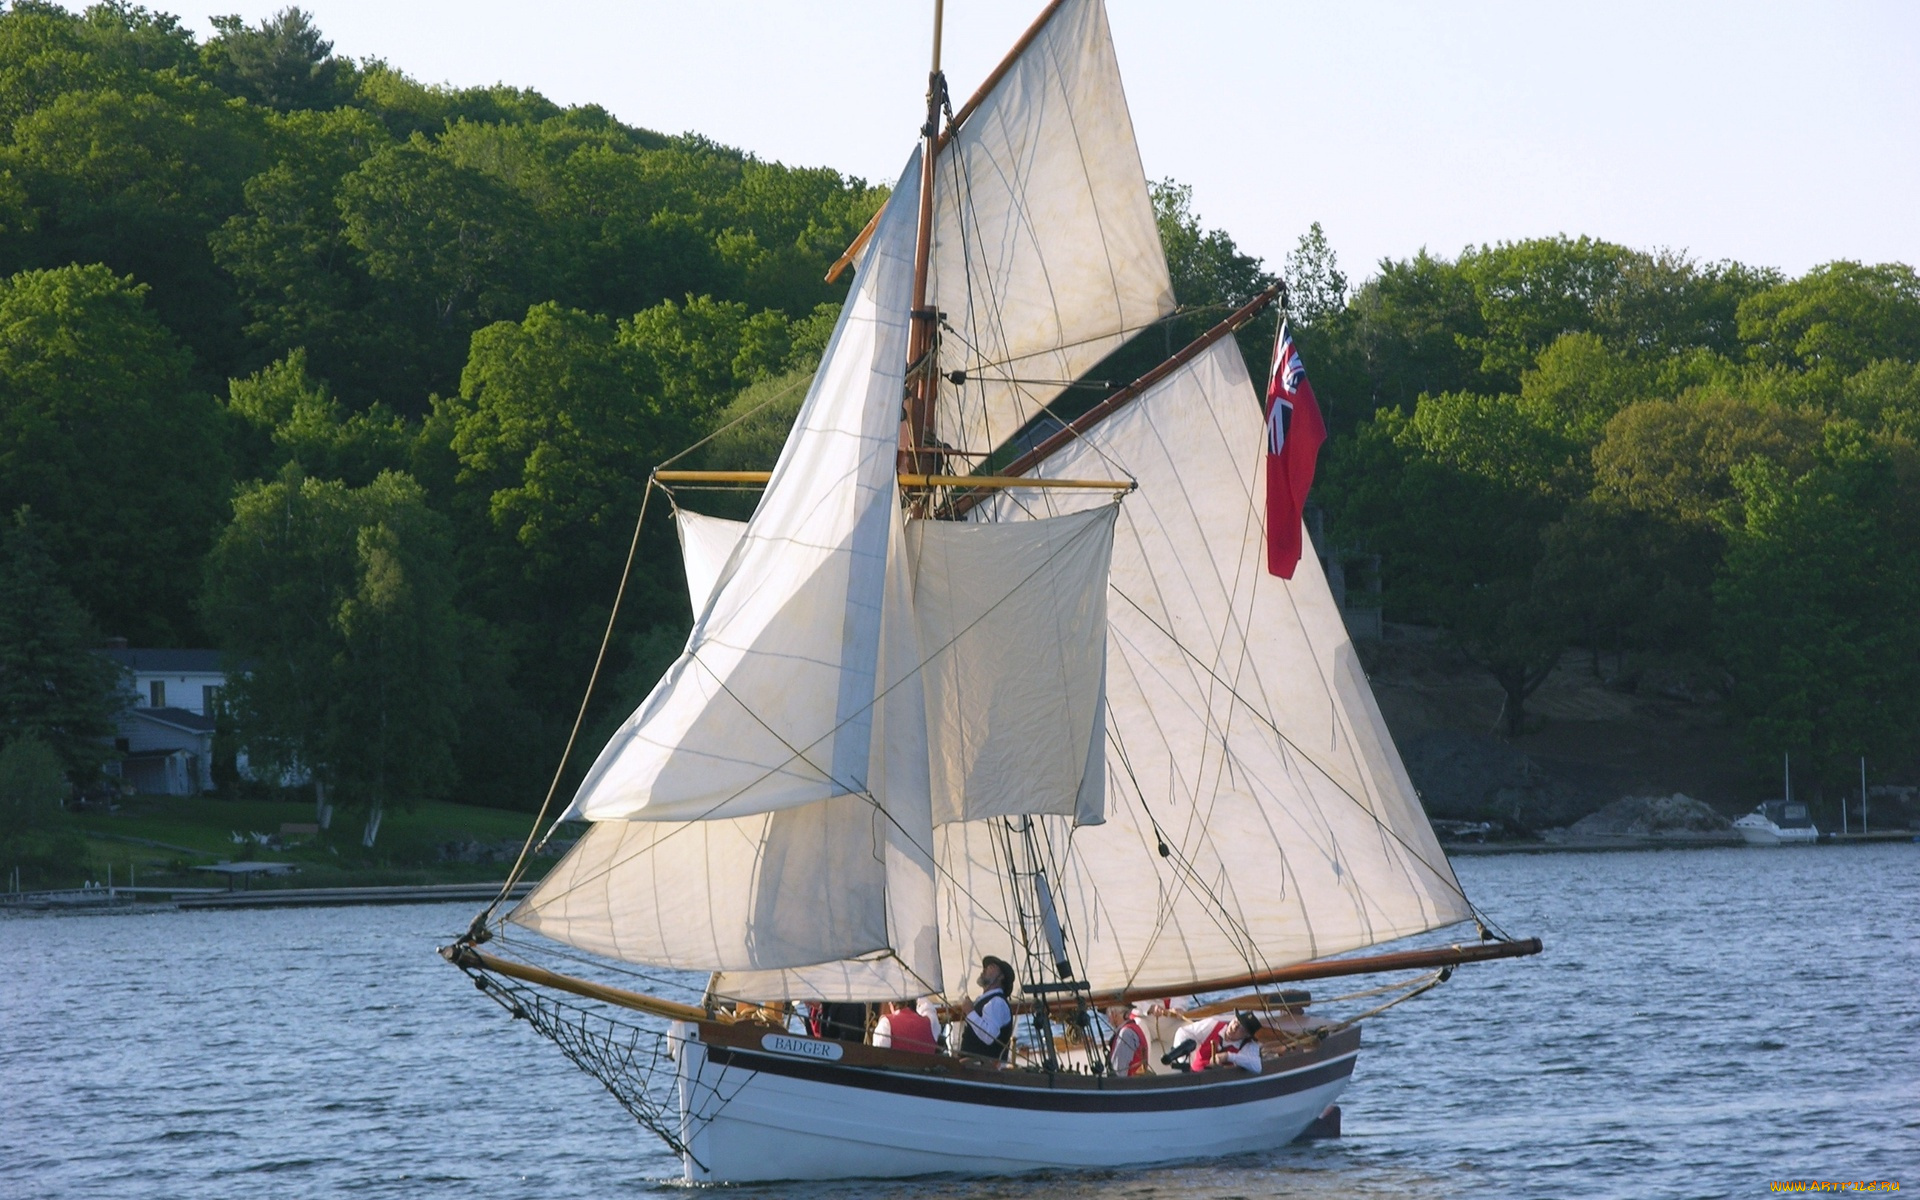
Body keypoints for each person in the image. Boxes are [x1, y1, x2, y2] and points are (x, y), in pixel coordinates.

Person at [1161, 1011, 1263, 1074]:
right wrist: (1183, 1062)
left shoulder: (1248, 1045)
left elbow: (1257, 1066)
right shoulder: (1212, 1025)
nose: (1234, 1027)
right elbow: (1183, 1032)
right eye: (1236, 1021)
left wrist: (1228, 1056)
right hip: (1194, 1076)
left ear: (1247, 1035)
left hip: (1221, 1086)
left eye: (1241, 1028)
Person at [959, 956, 1016, 1060]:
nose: (984, 969)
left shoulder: (997, 1002)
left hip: (984, 1071)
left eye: (991, 967)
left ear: (1000, 977)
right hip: (973, 1068)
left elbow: (989, 1036)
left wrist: (970, 1012)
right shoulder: (987, 1001)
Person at [872, 999, 938, 1054]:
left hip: (895, 1068)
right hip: (925, 1068)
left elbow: (878, 1056)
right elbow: (927, 1006)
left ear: (892, 1005)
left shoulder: (886, 1022)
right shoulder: (931, 1022)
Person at [1106, 1004, 1149, 1077]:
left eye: (1108, 1015)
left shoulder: (1126, 1034)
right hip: (1137, 1082)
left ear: (1114, 1015)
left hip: (1129, 1085)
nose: (1108, 1020)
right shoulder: (1134, 1028)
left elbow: (1119, 1071)